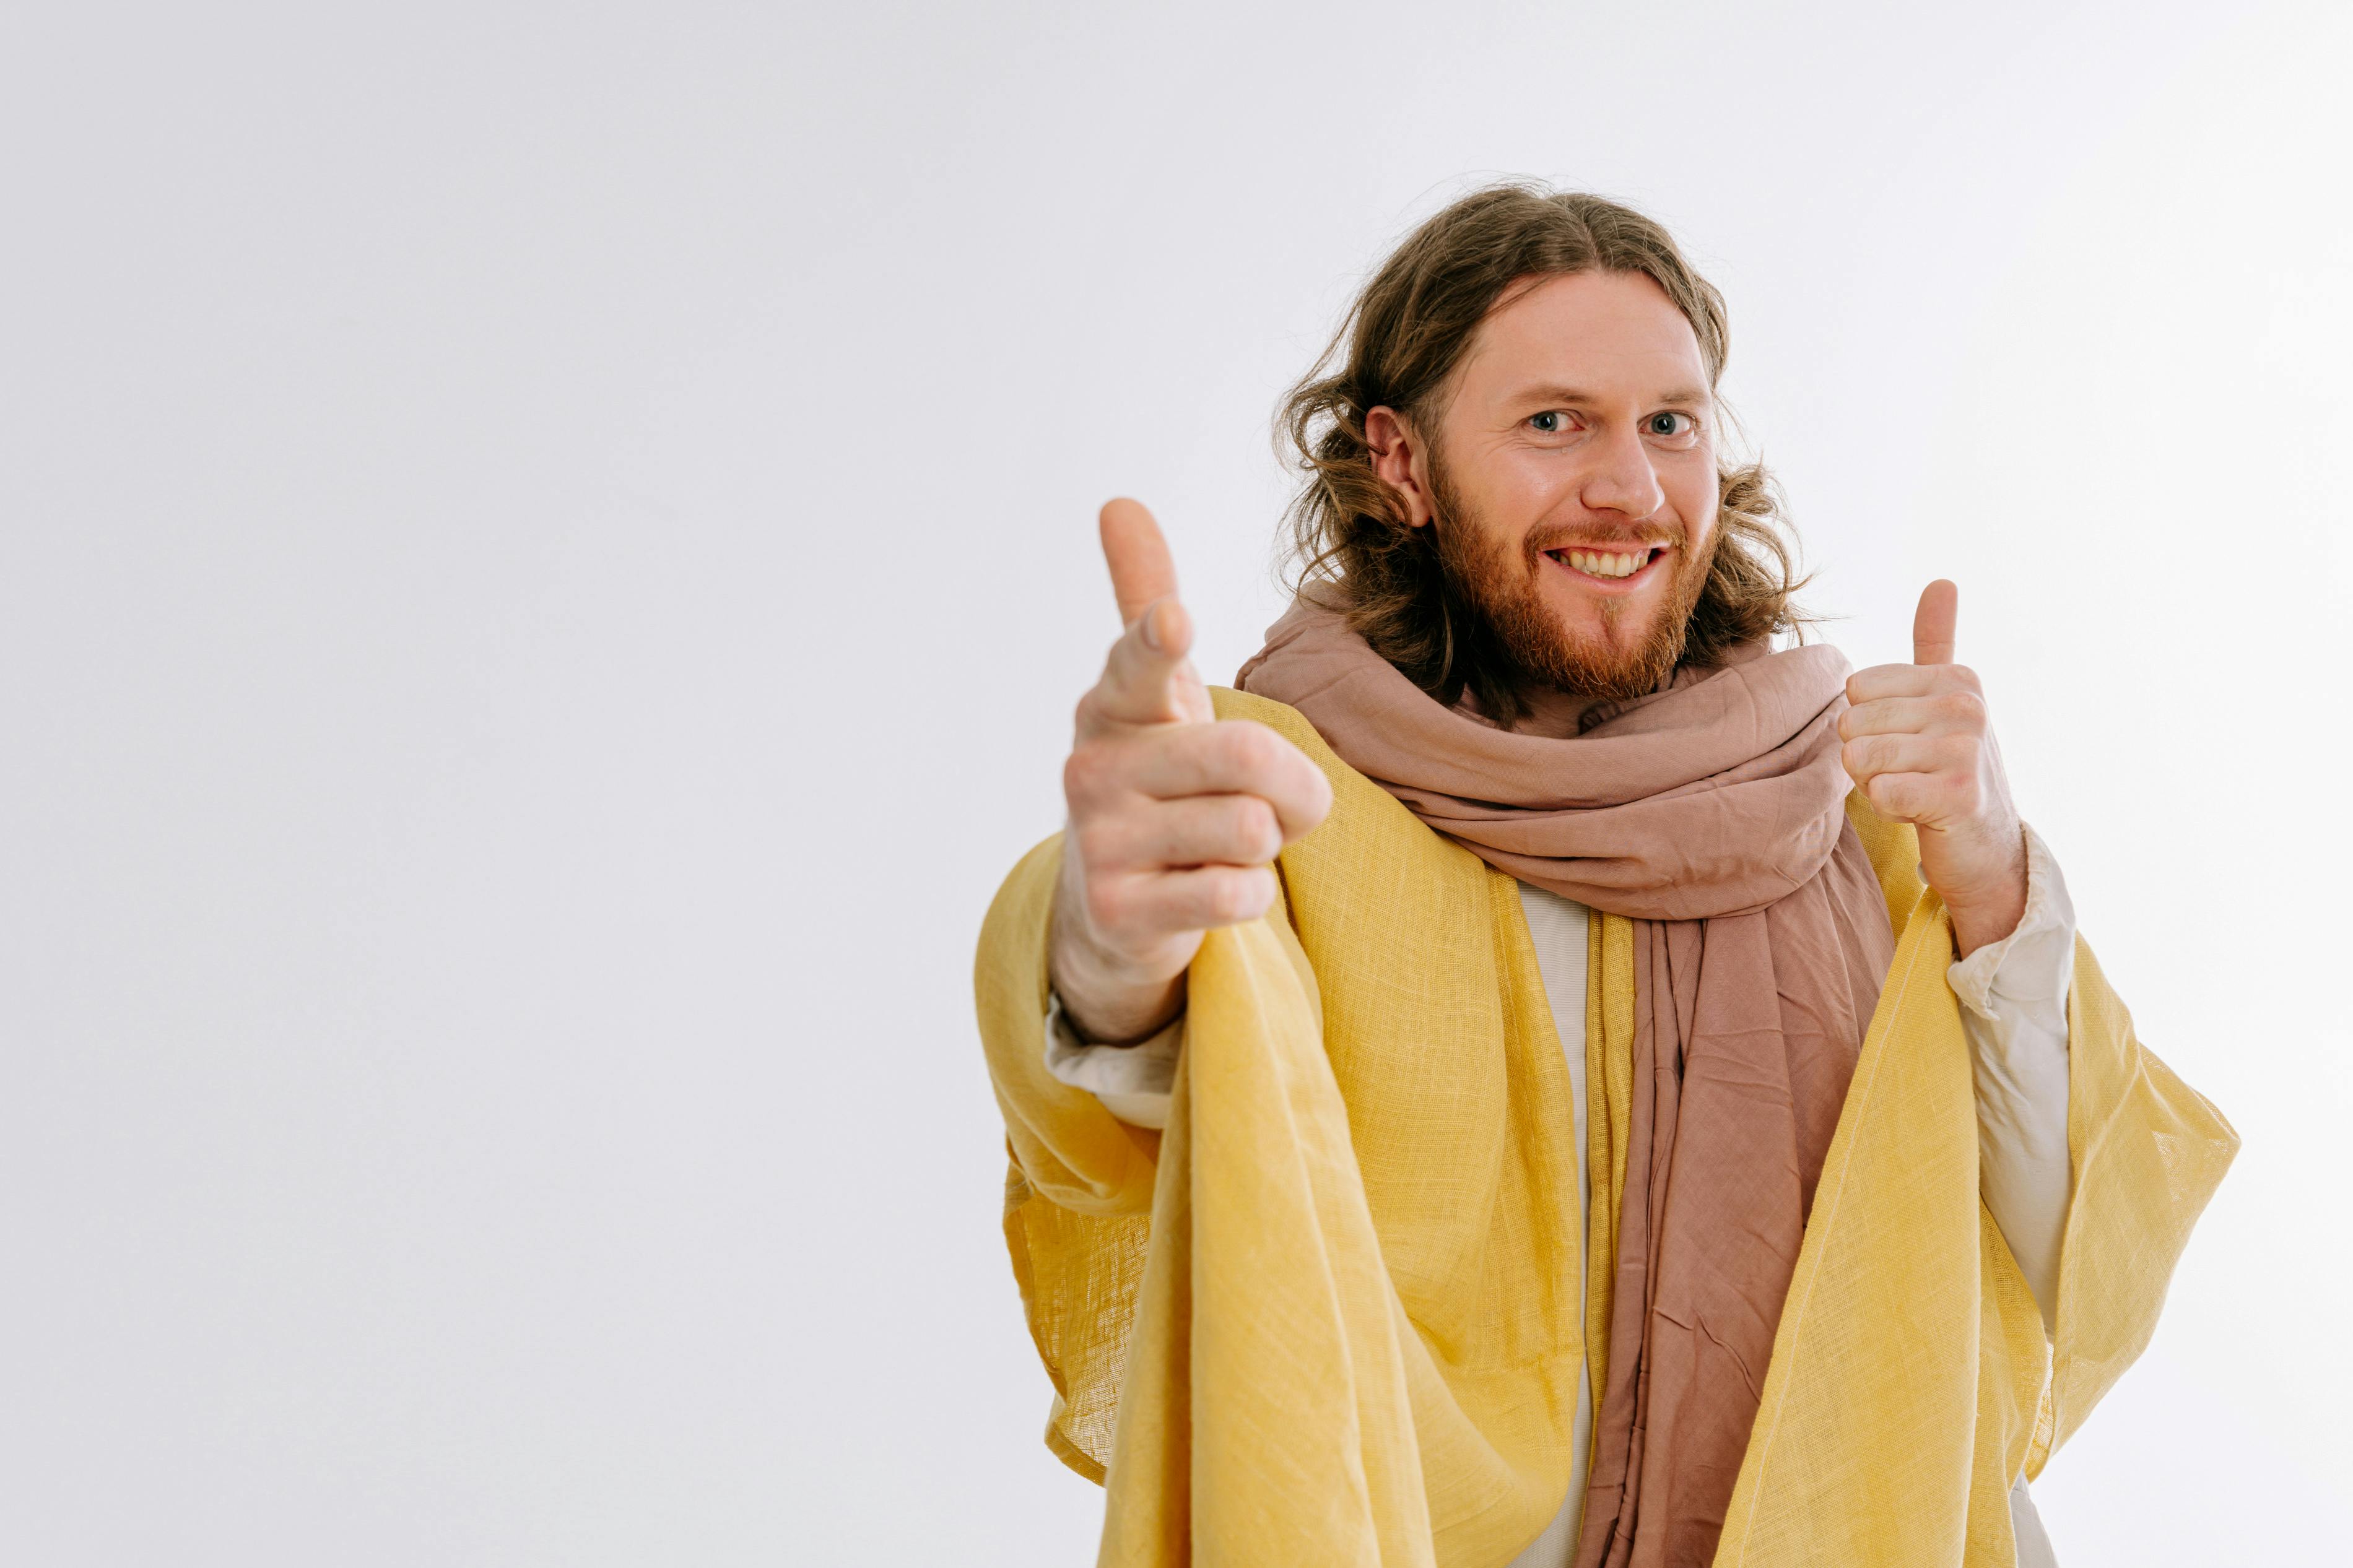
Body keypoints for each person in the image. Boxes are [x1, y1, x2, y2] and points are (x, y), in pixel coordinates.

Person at [972, 185, 2235, 1568]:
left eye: (1669, 424)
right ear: (1401, 463)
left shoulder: (1850, 808)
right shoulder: (1278, 796)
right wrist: (1102, 942)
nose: (1631, 488)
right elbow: (1122, 1090)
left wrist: (1993, 877)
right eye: (1554, 422)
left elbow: (2082, 1247)